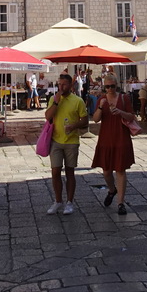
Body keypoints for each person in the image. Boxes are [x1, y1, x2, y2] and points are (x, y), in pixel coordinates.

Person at [44, 73, 88, 215]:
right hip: (56, 140)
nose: (61, 87)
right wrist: (56, 102)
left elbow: (85, 121)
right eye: (59, 84)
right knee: (55, 171)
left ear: (70, 85)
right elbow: (47, 116)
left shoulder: (78, 101)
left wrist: (74, 126)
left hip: (72, 141)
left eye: (64, 84)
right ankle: (58, 201)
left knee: (70, 171)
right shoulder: (53, 99)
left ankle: (69, 202)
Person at [92, 77, 135, 215]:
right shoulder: (102, 100)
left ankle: (120, 203)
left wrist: (120, 112)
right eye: (107, 87)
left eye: (112, 86)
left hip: (121, 137)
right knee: (106, 171)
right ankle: (112, 190)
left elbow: (132, 117)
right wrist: (100, 106)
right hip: (106, 138)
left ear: (117, 86)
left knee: (121, 170)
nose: (110, 89)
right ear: (104, 87)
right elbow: (96, 119)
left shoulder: (124, 99)